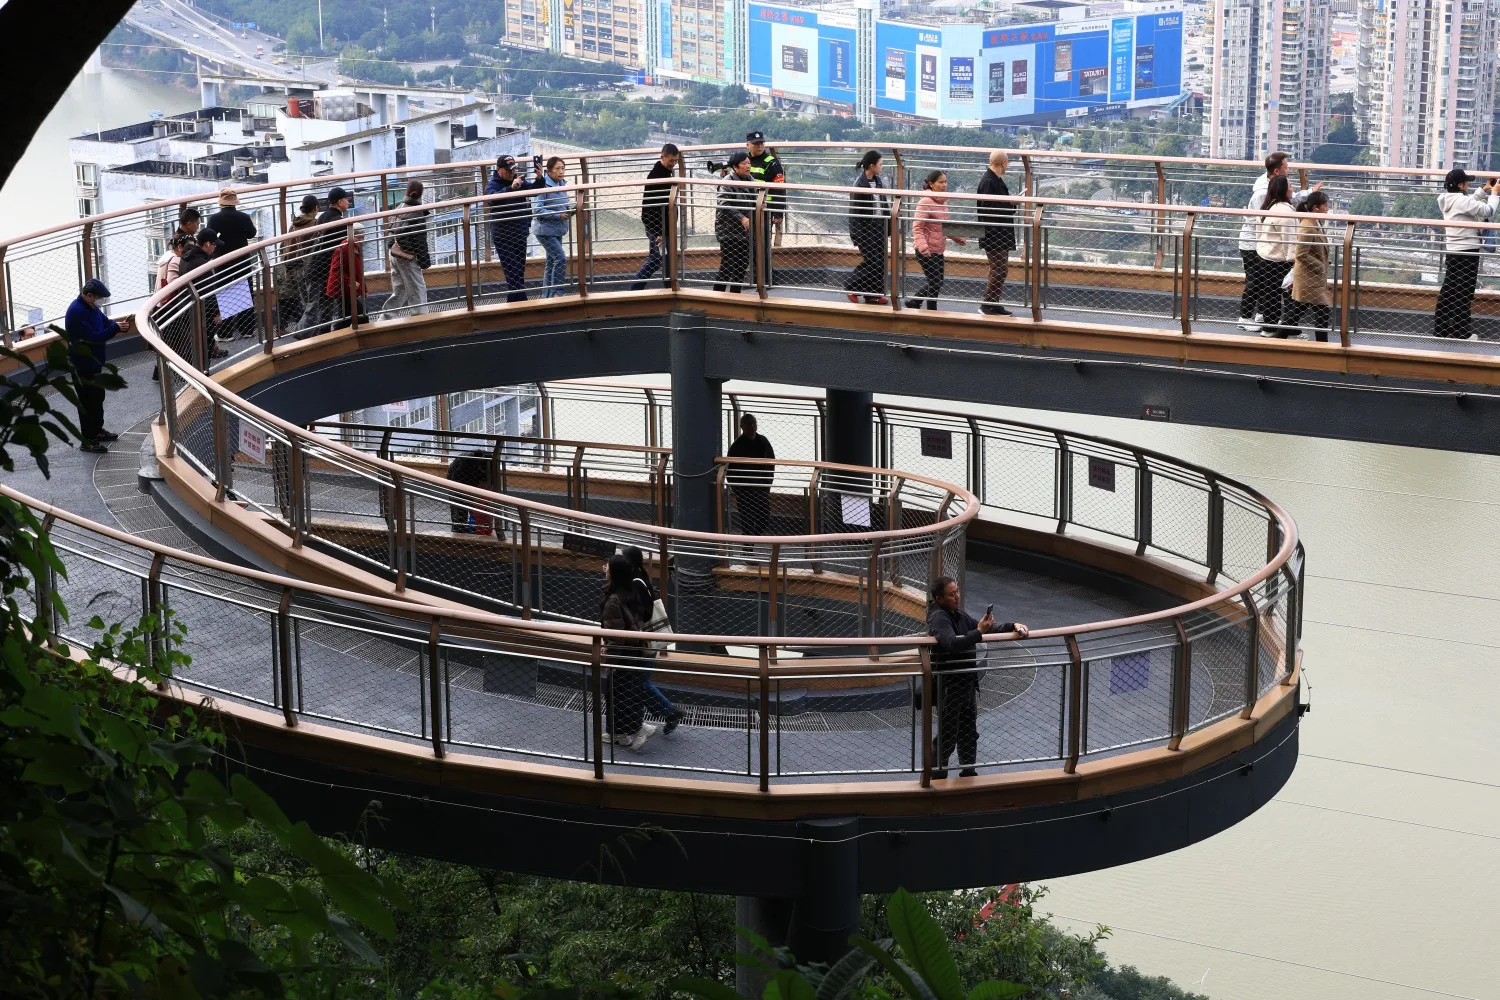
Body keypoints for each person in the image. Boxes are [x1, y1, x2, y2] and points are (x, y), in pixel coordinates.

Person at [926, 576, 1029, 779]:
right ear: (939, 598)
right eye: (951, 594)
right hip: (950, 686)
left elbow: (983, 627)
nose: (956, 596)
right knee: (948, 736)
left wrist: (1013, 625)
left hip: (965, 684)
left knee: (968, 732)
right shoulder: (939, 617)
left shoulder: (957, 613)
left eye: (957, 591)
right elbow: (951, 643)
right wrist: (978, 632)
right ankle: (937, 779)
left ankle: (968, 773)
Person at [1237, 152, 1319, 331]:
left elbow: (1291, 197)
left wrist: (1311, 192)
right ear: (1276, 171)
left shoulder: (1272, 186)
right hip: (1254, 242)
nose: (1288, 171)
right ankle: (1245, 317)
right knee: (1255, 280)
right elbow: (1259, 221)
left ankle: (1261, 315)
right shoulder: (1262, 193)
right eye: (1286, 167)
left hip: (1264, 243)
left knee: (1264, 281)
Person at [63, 279, 132, 454]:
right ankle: (87, 440)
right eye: (99, 297)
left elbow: (104, 321)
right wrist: (114, 328)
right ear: (88, 295)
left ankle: (97, 431)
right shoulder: (77, 312)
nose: (101, 301)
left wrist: (117, 326)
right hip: (82, 365)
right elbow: (92, 337)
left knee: (97, 399)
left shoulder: (92, 307)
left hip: (93, 364)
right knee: (87, 402)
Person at [623, 545, 684, 735]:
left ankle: (670, 713)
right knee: (640, 682)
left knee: (639, 683)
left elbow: (646, 611)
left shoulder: (635, 582)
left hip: (643, 641)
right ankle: (664, 714)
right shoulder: (640, 578)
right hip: (646, 641)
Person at [601, 553, 657, 751]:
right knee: (627, 693)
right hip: (634, 652)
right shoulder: (631, 592)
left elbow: (615, 635)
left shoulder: (613, 600)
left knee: (615, 694)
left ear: (614, 572)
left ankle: (628, 731)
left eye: (607, 566)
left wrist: (610, 659)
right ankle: (621, 733)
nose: (605, 568)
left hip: (622, 655)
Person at [1434, 168, 1499, 340]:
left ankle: (1440, 331)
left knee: (1449, 291)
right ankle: (1461, 333)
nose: (1468, 184)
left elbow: (1467, 203)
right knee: (1464, 293)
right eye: (1466, 182)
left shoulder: (1447, 199)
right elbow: (1488, 211)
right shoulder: (1461, 201)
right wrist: (1494, 194)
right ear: (1460, 185)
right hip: (1468, 253)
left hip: (1453, 252)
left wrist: (1483, 190)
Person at [485, 154, 547, 302]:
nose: (512, 173)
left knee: (518, 273)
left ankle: (513, 308)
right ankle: (523, 307)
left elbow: (535, 190)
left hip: (519, 233)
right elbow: (492, 200)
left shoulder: (518, 181)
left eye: (513, 169)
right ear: (498, 170)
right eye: (508, 170)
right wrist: (510, 188)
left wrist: (539, 178)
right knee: (513, 274)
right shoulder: (492, 184)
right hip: (503, 236)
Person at [907, 170, 966, 310]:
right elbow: (917, 227)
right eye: (941, 182)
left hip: (938, 249)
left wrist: (957, 238)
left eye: (945, 182)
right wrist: (923, 246)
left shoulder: (942, 202)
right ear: (931, 184)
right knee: (935, 281)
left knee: (937, 281)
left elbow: (943, 226)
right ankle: (930, 310)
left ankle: (915, 302)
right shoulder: (925, 201)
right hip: (926, 250)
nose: (944, 185)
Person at [206, 187, 260, 342]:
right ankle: (247, 330)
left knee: (224, 293)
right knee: (245, 293)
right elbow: (252, 233)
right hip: (242, 259)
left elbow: (209, 236)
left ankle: (226, 332)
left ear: (221, 202)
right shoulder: (243, 216)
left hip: (223, 260)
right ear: (235, 202)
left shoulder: (214, 218)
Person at [1283, 190, 1333, 342]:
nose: (1327, 208)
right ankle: (1322, 347)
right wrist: (1320, 266)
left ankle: (1277, 340)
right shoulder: (1307, 225)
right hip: (1308, 278)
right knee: (1322, 312)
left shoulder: (1315, 223)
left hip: (1312, 278)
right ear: (1316, 208)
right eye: (1325, 205)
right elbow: (1301, 254)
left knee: (1296, 313)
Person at [1253, 175, 1299, 337]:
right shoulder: (1286, 212)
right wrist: (1294, 262)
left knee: (1269, 292)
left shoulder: (1266, 207)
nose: (1293, 189)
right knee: (1287, 295)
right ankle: (1284, 328)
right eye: (1290, 186)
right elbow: (1290, 241)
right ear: (1283, 190)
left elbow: (1258, 233)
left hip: (1264, 255)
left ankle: (1269, 327)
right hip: (1279, 259)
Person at [302, 186, 351, 333]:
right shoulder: (338, 221)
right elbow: (343, 246)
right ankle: (321, 335)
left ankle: (321, 333)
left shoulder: (323, 217)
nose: (348, 202)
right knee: (327, 305)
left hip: (316, 265)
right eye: (346, 199)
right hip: (327, 267)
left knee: (322, 304)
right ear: (340, 201)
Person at [632, 143, 680, 290]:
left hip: (663, 228)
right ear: (662, 157)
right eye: (671, 160)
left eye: (676, 161)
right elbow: (648, 209)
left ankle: (669, 289)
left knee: (665, 260)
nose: (673, 164)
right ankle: (635, 288)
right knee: (657, 260)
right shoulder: (656, 177)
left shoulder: (664, 173)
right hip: (659, 229)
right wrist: (657, 232)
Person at [845, 150, 890, 305]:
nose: (882, 167)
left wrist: (889, 228)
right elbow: (855, 212)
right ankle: (851, 286)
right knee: (873, 262)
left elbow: (884, 205)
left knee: (881, 262)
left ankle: (873, 295)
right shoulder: (860, 184)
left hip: (879, 228)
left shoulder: (878, 182)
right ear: (872, 166)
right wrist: (856, 235)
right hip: (866, 230)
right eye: (880, 164)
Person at [179, 229, 228, 367]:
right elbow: (208, 290)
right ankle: (203, 374)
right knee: (204, 344)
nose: (215, 247)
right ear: (207, 244)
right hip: (202, 312)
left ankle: (198, 373)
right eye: (214, 244)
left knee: (196, 344)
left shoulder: (186, 258)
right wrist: (216, 313)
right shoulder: (201, 264)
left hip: (188, 307)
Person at [976, 150, 1017, 316]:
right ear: (1004, 163)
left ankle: (992, 302)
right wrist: (1011, 204)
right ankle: (988, 304)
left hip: (998, 232)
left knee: (1000, 269)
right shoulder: (989, 181)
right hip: (994, 233)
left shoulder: (993, 180)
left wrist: (1009, 204)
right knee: (999, 269)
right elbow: (990, 209)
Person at [712, 152, 757, 293]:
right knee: (728, 264)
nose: (748, 166)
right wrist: (741, 217)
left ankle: (735, 295)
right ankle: (717, 296)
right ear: (735, 167)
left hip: (745, 231)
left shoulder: (751, 181)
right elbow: (724, 203)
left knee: (742, 264)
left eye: (749, 163)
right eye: (744, 163)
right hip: (728, 230)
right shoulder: (727, 181)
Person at [725, 412, 775, 536]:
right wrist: (738, 490)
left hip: (761, 490)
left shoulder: (763, 441)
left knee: (764, 519)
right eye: (749, 424)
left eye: (754, 423)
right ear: (742, 426)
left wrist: (767, 484)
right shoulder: (737, 446)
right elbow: (729, 470)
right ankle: (748, 547)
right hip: (745, 492)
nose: (752, 426)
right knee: (747, 522)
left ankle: (751, 538)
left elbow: (771, 462)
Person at [387, 180, 431, 316]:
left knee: (400, 290)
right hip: (407, 256)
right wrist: (424, 261)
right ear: (419, 195)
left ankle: (386, 318)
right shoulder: (416, 213)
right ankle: (420, 320)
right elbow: (420, 241)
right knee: (417, 289)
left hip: (394, 252)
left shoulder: (399, 207)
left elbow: (391, 230)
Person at [746, 131, 785, 285]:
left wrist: (778, 212)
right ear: (748, 145)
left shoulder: (771, 162)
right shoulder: (743, 161)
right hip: (746, 212)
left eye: (762, 143)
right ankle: (757, 278)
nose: (760, 146)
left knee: (762, 247)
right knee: (749, 246)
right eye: (756, 144)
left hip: (764, 212)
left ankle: (766, 279)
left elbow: (780, 188)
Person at [532, 157, 572, 298]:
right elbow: (537, 210)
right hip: (544, 230)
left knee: (551, 262)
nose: (561, 171)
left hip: (557, 229)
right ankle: (557, 292)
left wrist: (569, 209)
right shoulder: (543, 186)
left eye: (563, 168)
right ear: (548, 171)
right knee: (560, 258)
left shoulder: (562, 184)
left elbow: (563, 203)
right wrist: (558, 215)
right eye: (557, 169)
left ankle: (546, 295)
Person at [280, 193, 321, 331]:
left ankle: (306, 330)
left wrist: (287, 268)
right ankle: (306, 331)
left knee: (304, 301)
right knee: (314, 302)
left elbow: (286, 248)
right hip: (311, 268)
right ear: (316, 208)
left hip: (294, 269)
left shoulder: (294, 225)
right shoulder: (315, 224)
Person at [325, 223, 367, 329]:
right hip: (343, 288)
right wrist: (351, 282)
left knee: (347, 314)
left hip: (346, 287)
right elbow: (337, 270)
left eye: (363, 237)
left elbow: (357, 271)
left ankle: (338, 334)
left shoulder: (353, 247)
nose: (362, 240)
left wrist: (362, 288)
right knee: (360, 314)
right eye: (359, 237)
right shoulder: (344, 248)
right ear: (351, 235)